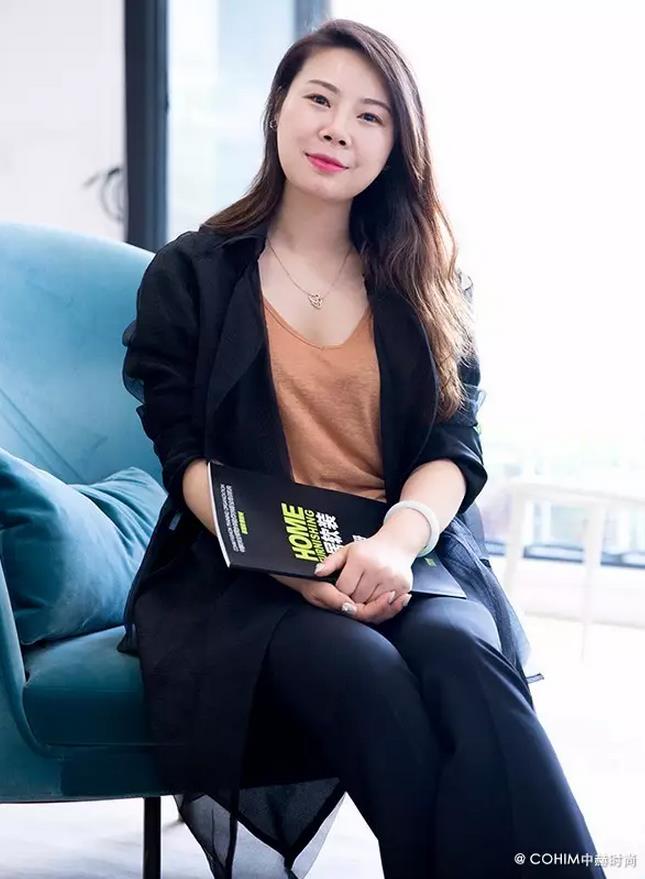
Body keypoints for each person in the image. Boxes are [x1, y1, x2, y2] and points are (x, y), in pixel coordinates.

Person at [118, 17, 606, 879]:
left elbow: (454, 444)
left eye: (370, 115)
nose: (338, 128)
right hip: (242, 568)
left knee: (464, 653)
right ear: (278, 109)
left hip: (398, 547)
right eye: (319, 99)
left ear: (395, 144)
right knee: (365, 674)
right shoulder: (191, 272)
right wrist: (282, 562)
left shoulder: (425, 277)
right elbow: (183, 455)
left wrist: (393, 544)